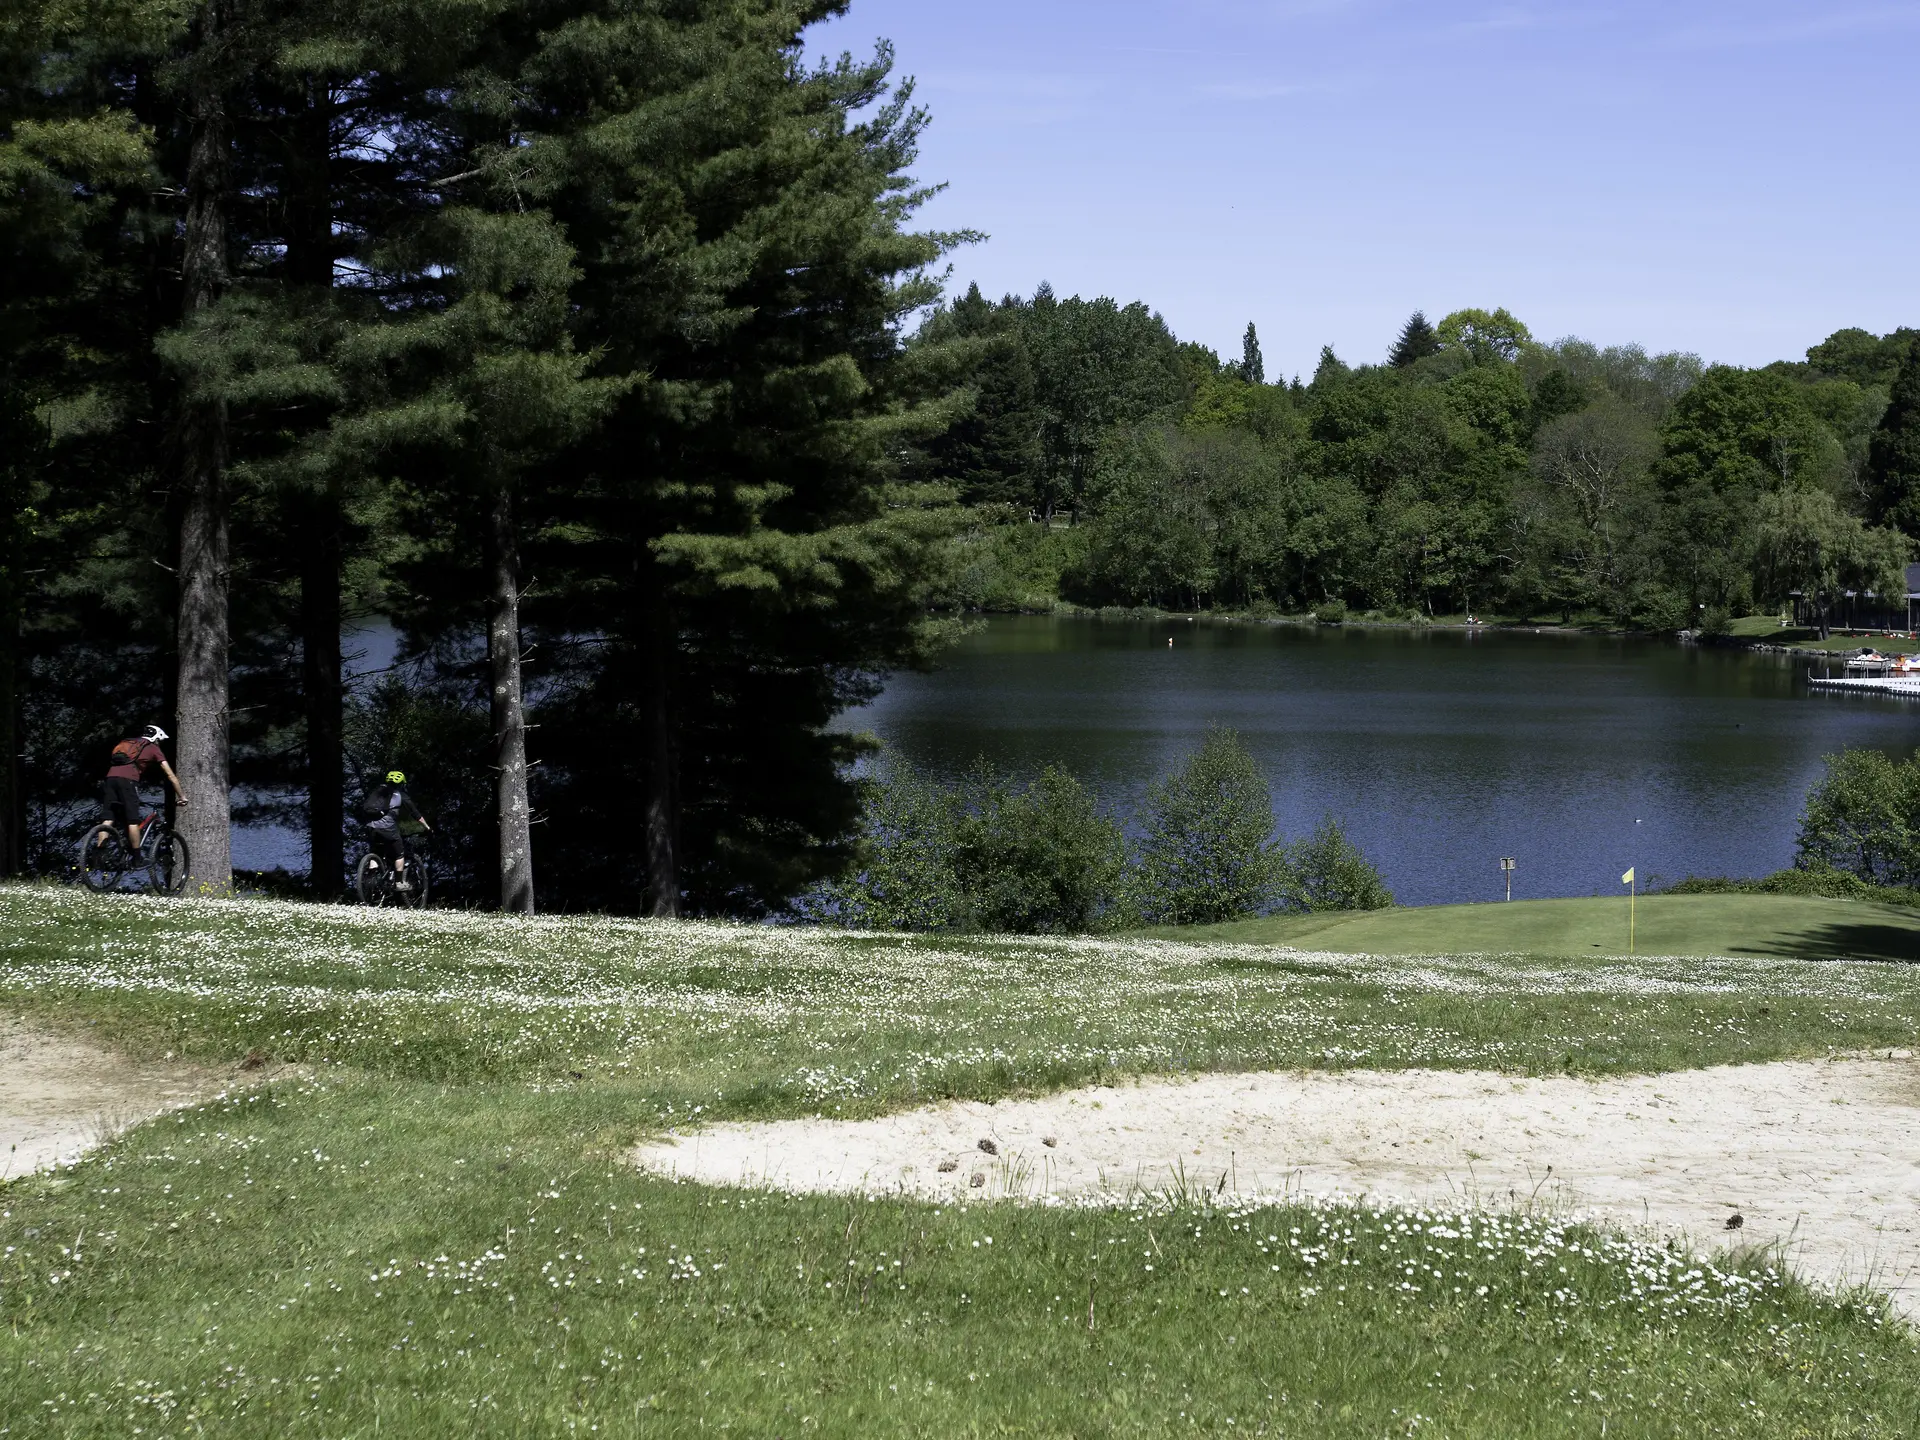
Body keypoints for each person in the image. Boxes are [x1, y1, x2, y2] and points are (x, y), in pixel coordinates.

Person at [103, 725, 189, 857]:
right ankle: (137, 857)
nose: (159, 744)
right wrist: (182, 796)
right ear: (156, 738)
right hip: (128, 780)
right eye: (159, 741)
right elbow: (170, 775)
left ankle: (98, 854)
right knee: (133, 820)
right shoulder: (153, 748)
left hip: (110, 778)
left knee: (108, 818)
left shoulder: (130, 743)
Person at [359, 770, 433, 892]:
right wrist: (427, 828)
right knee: (399, 854)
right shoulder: (401, 795)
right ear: (401, 783)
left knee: (376, 852)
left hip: (371, 827)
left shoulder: (378, 791)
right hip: (387, 827)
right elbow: (416, 814)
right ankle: (399, 883)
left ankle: (370, 881)